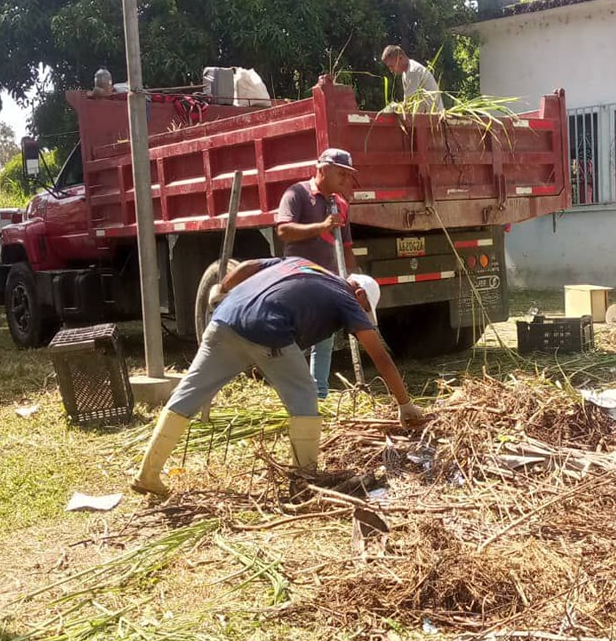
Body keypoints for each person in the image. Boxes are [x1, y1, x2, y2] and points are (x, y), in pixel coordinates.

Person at [131, 257, 424, 496]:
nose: (360, 314)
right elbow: (379, 355)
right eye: (364, 309)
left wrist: (221, 289)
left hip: (223, 320)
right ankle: (303, 482)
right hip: (268, 331)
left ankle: (148, 474)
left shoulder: (301, 263)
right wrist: (404, 404)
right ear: (359, 294)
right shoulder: (346, 297)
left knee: (189, 394)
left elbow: (248, 266)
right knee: (305, 397)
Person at [276, 148, 359, 399]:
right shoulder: (297, 194)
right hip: (298, 278)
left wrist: (353, 277)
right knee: (294, 339)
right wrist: (321, 227)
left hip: (327, 280)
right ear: (322, 169)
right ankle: (291, 391)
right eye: (341, 174)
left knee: (324, 340)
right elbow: (284, 231)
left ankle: (318, 394)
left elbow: (346, 247)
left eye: (348, 175)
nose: (346, 180)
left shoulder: (340, 204)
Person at [380, 45, 444, 114]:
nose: (391, 70)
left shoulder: (412, 71)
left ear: (400, 58)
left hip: (432, 117)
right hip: (426, 115)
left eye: (391, 66)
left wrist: (394, 109)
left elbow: (409, 103)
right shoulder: (406, 73)